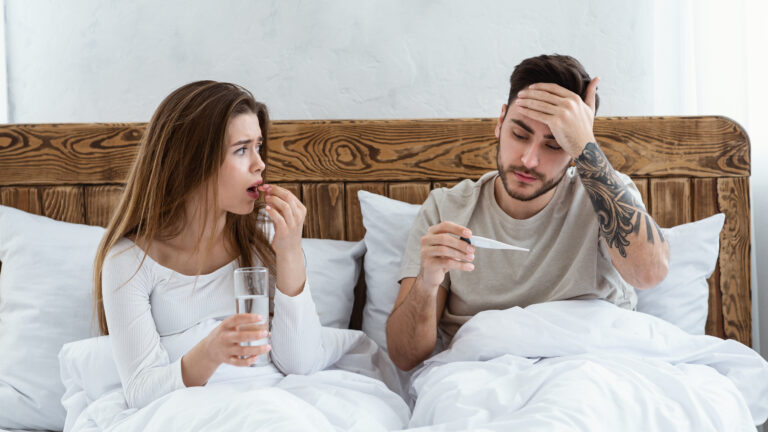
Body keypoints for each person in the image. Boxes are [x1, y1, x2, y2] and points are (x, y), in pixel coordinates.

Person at [386, 54, 670, 371]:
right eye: (519, 135)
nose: (529, 160)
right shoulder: (447, 208)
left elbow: (649, 274)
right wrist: (427, 282)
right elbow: (404, 357)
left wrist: (586, 146)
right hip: (481, 378)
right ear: (500, 121)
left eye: (554, 144)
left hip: (592, 371)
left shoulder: (605, 194)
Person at [92, 81, 327, 409]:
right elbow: (140, 390)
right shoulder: (128, 261)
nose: (259, 164)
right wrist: (210, 351)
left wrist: (289, 253)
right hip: (180, 414)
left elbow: (301, 365)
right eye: (242, 149)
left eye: (259, 147)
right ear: (193, 162)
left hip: (269, 404)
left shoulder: (264, 239)